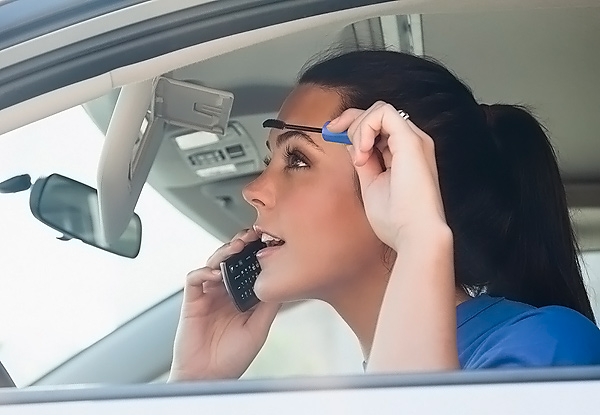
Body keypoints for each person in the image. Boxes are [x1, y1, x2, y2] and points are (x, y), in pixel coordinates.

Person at [168, 50, 600, 381]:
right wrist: (196, 385)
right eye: (271, 161)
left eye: (297, 160)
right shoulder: (369, 386)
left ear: (397, 182)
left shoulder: (546, 348)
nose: (253, 191)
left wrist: (418, 237)